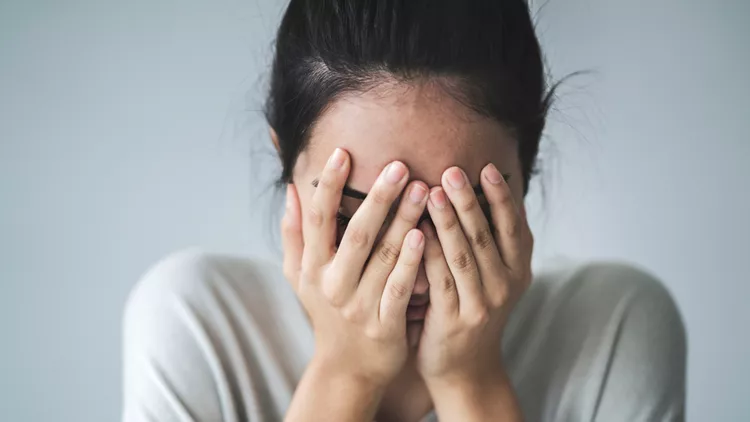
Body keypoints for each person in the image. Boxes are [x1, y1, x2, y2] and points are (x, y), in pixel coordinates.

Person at [122, 1, 687, 421]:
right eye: (357, 220)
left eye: (464, 217)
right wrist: (346, 374)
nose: (411, 271)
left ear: (526, 170)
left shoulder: (613, 328)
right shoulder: (197, 326)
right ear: (286, 163)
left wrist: (472, 382)